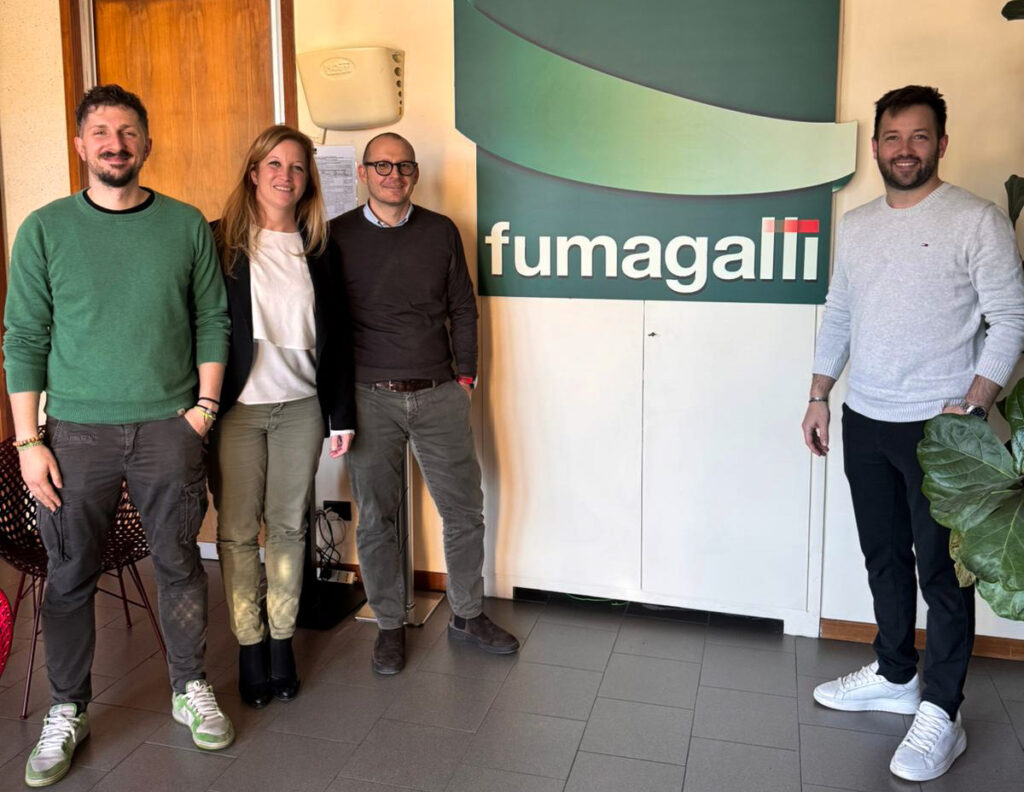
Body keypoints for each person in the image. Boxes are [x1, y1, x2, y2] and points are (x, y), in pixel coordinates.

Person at [3, 84, 234, 787]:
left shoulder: (186, 225)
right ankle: (67, 707)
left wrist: (204, 409)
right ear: (81, 145)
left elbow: (213, 320)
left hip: (170, 428)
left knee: (179, 563)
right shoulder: (44, 229)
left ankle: (189, 687)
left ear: (147, 144)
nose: (115, 143)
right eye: (101, 132)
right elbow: (24, 337)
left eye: (128, 131)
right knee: (69, 574)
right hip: (75, 436)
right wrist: (28, 442)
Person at [801, 85, 1024, 782]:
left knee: (943, 575)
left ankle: (942, 710)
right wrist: (819, 393)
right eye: (892, 137)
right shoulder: (858, 225)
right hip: (866, 418)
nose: (905, 150)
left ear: (941, 144)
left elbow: (1011, 319)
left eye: (919, 136)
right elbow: (840, 310)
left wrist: (974, 405)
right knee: (884, 557)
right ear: (875, 147)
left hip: (942, 430)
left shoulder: (976, 220)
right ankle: (897, 674)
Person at [329, 132, 518, 675]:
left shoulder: (441, 231)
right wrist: (337, 405)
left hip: (439, 394)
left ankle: (467, 614)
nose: (394, 174)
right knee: (377, 519)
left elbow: (463, 308)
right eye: (382, 166)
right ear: (364, 173)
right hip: (369, 398)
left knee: (463, 511)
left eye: (404, 166)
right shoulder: (336, 236)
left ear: (415, 173)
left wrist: (465, 379)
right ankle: (389, 624)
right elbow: (329, 323)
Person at [210, 125, 355, 708]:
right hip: (236, 412)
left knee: (291, 528)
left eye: (296, 167)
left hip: (301, 409)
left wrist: (341, 415)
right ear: (253, 172)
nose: (285, 176)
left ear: (307, 180)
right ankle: (249, 645)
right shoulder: (219, 242)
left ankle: (281, 641)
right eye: (274, 164)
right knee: (238, 532)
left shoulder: (320, 247)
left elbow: (340, 337)